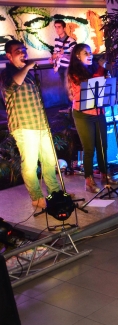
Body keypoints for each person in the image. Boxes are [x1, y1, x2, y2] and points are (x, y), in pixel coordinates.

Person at [0, 40, 60, 209]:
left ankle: (55, 193)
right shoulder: (6, 73)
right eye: (18, 51)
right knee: (30, 165)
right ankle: (36, 197)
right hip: (24, 126)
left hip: (40, 124)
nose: (23, 53)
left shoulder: (28, 74)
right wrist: (27, 67)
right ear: (9, 56)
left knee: (49, 161)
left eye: (24, 50)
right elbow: (11, 86)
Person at [67, 43, 118, 193]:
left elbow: (103, 85)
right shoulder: (74, 72)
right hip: (83, 114)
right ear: (78, 56)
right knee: (89, 149)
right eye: (86, 53)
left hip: (99, 111)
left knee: (103, 146)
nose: (90, 55)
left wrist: (105, 73)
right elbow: (89, 84)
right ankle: (88, 181)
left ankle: (104, 175)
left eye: (90, 53)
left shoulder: (95, 68)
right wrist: (100, 68)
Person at [51, 19, 76, 88]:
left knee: (69, 88)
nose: (57, 29)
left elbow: (74, 57)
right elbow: (54, 53)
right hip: (59, 67)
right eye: (55, 27)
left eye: (59, 27)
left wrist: (63, 55)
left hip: (68, 68)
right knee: (63, 88)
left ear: (64, 28)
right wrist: (53, 57)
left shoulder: (71, 41)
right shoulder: (56, 40)